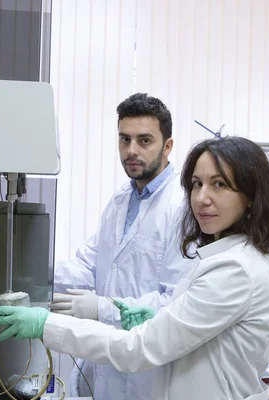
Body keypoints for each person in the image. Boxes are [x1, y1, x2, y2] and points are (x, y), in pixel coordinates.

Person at [0, 136, 269, 400]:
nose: (201, 198)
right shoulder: (225, 255)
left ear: (251, 197)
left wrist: (47, 325)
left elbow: (140, 347)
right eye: (197, 184)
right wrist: (159, 315)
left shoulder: (235, 270)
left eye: (219, 184)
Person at [50, 93, 195, 399]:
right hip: (108, 362)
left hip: (150, 373)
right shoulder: (120, 201)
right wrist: (35, 271)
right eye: (124, 139)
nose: (131, 150)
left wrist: (102, 309)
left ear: (167, 145)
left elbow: (174, 301)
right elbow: (89, 267)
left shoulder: (183, 207)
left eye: (144, 141)